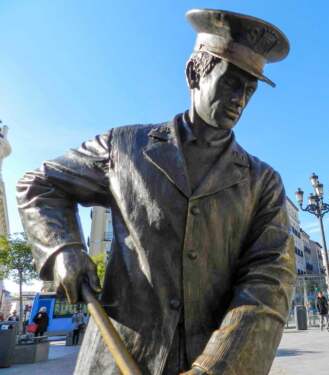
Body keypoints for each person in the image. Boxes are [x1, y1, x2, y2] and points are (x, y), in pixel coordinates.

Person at [17, 9, 295, 375]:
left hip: (207, 362)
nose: (240, 98)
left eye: (250, 89)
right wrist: (64, 249)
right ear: (195, 72)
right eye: (231, 82)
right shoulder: (124, 147)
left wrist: (216, 367)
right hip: (114, 359)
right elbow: (39, 184)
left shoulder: (262, 181)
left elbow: (271, 279)